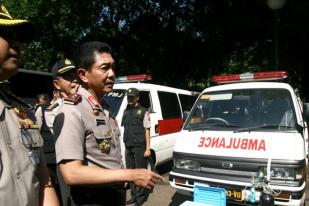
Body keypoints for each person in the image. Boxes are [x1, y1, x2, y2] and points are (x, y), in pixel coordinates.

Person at [53, 41, 164, 206]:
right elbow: (71, 173)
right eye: (104, 68)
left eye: (113, 67)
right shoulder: (72, 110)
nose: (112, 74)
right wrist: (131, 175)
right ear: (83, 75)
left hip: (113, 196)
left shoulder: (104, 107)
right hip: (92, 199)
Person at [0, 4, 59, 206]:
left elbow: (44, 182)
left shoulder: (21, 113)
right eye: (5, 33)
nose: (17, 43)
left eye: (17, 36)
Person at [36, 58, 79, 206]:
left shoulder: (91, 103)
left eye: (75, 76)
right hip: (69, 166)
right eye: (68, 78)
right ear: (57, 84)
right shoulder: (53, 111)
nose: (74, 81)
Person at [122, 88, 151, 206]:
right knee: (130, 173)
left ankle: (140, 198)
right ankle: (133, 196)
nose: (130, 99)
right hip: (128, 145)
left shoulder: (144, 111)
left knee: (139, 173)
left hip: (139, 146)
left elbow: (147, 131)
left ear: (137, 97)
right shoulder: (126, 111)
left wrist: (148, 148)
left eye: (132, 97)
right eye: (128, 97)